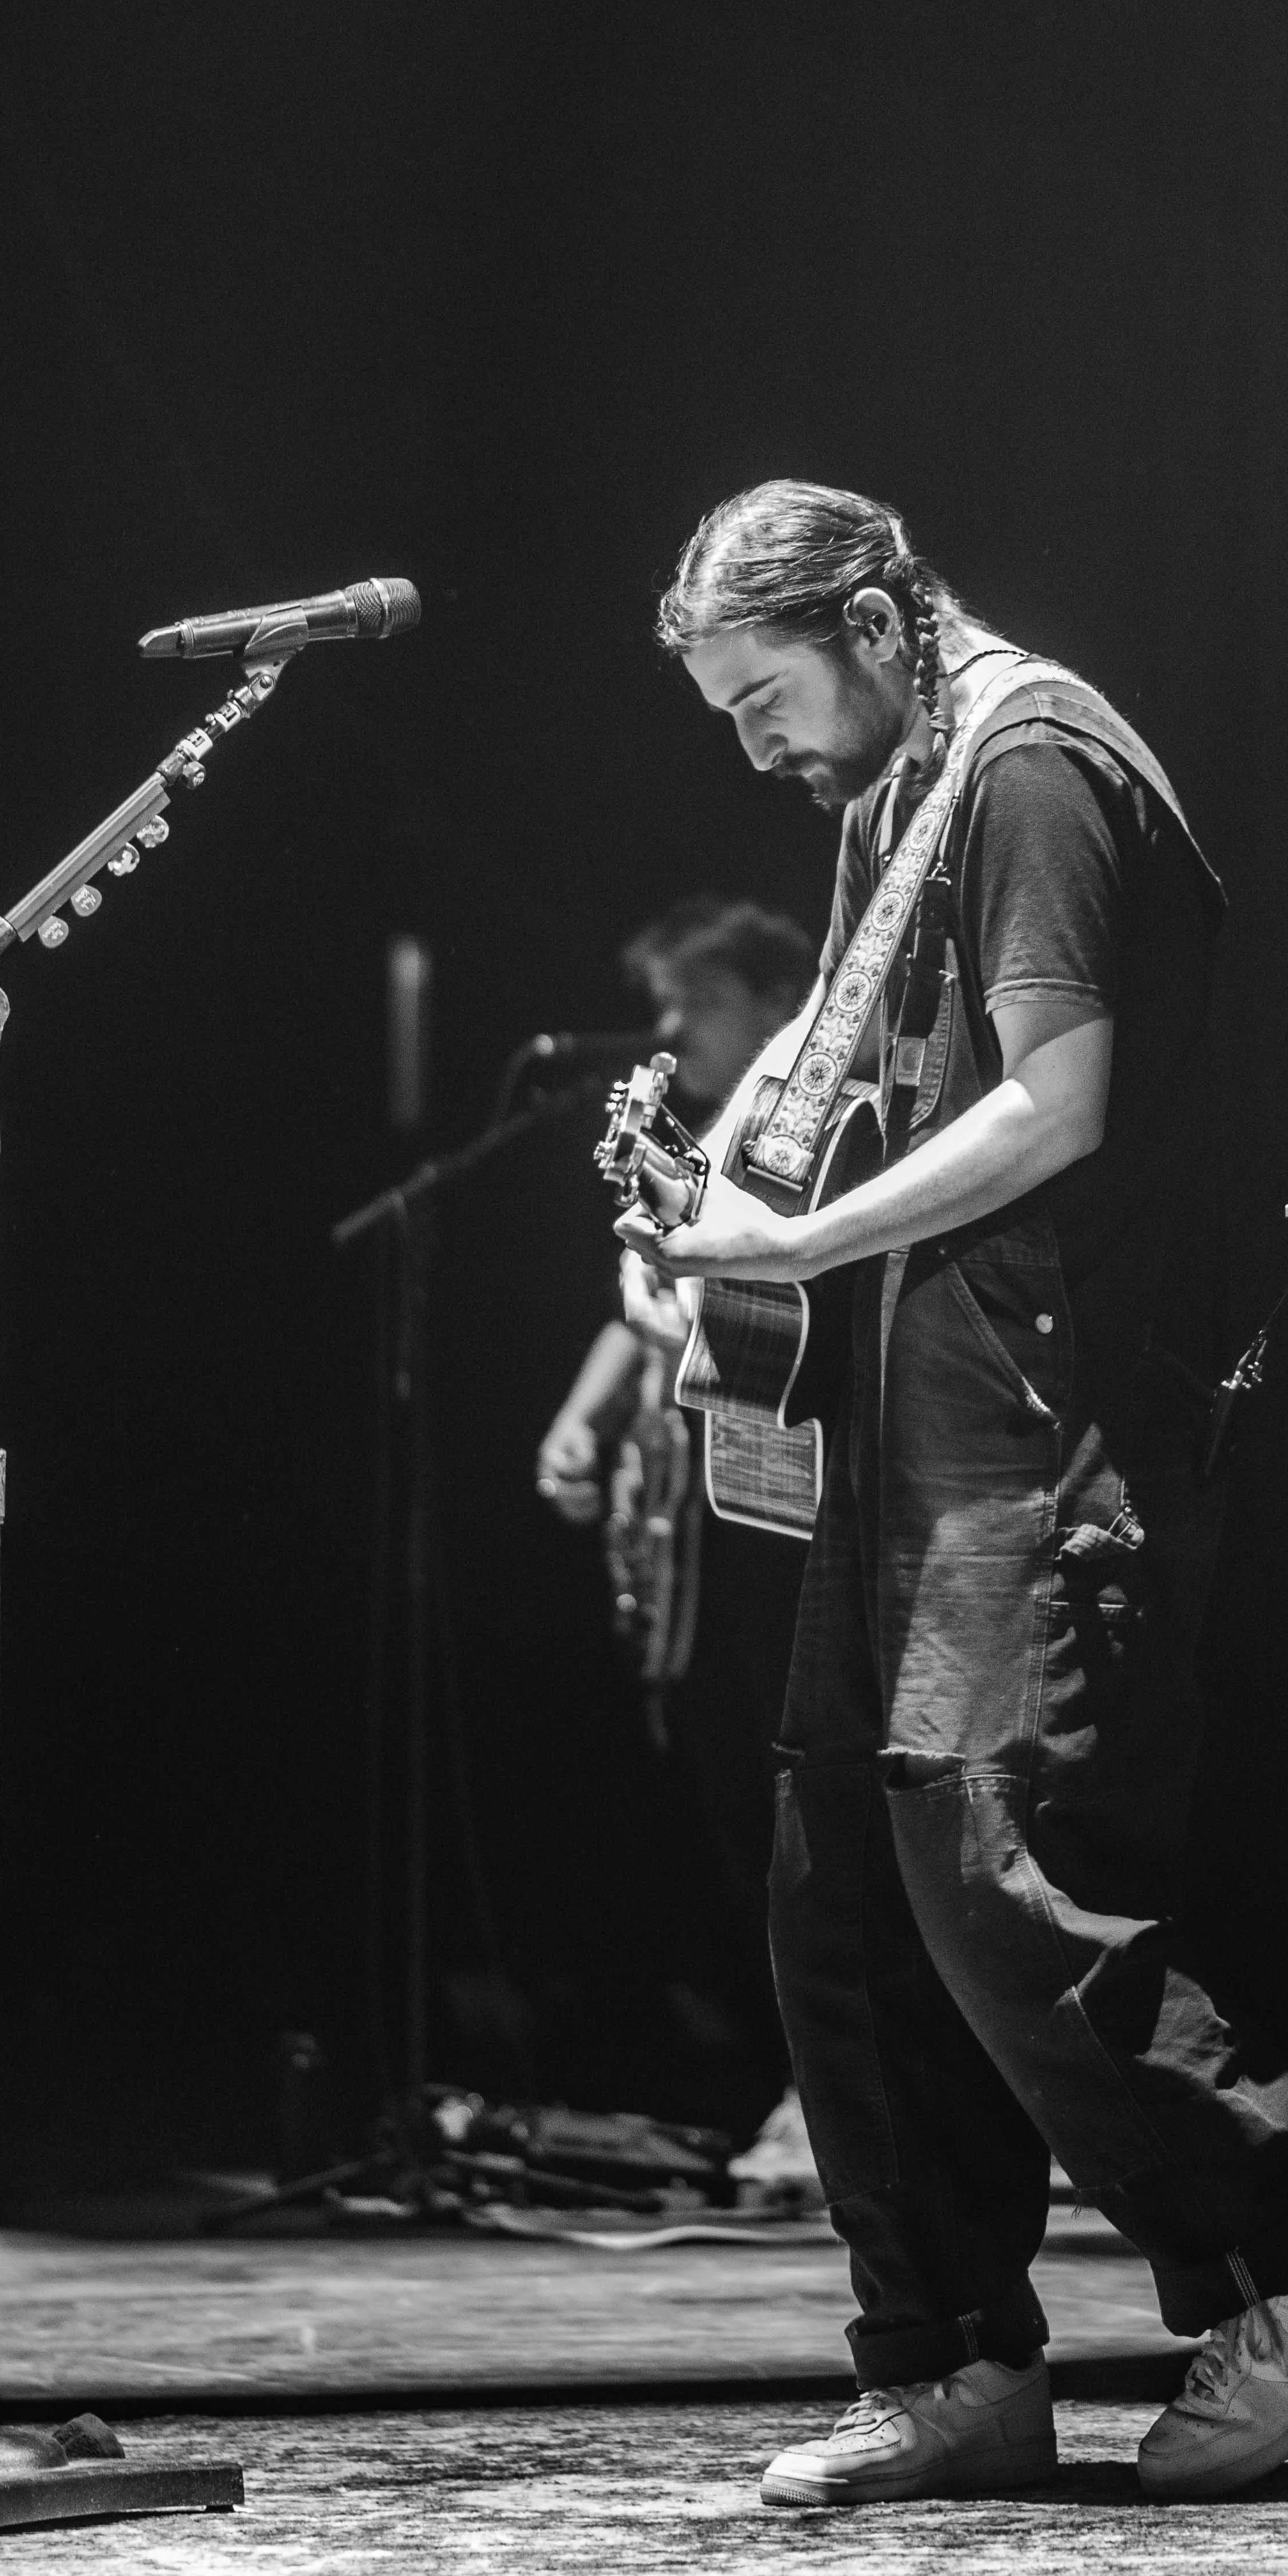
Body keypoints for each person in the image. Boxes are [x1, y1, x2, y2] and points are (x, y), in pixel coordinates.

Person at [618, 478, 1288, 2510]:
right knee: (843, 1890)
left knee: (995, 1864)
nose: (756, 744)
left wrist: (786, 1251)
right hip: (912, 1423)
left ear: (881, 619)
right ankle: (952, 2360)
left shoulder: (1039, 762)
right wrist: (713, 1205)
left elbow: (1051, 1105)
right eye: (725, 710)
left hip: (1051, 1417)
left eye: (766, 693)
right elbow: (851, 1073)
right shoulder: (896, 798)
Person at [538, 894, 819, 2143]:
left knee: (792, 1788)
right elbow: (649, 1290)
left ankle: (833, 2091)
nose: (664, 1026)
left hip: (780, 1507)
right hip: (702, 1513)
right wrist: (583, 1413)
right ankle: (792, 2077)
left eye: (690, 999)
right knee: (723, 1785)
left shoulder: (806, 1125)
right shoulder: (702, 1135)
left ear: (775, 1000)